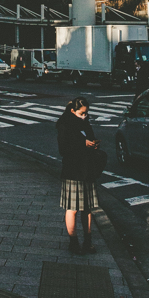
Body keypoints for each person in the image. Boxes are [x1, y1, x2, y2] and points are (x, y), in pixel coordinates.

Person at [56, 98, 100, 254]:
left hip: (87, 170)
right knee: (72, 208)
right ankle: (73, 242)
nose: (84, 116)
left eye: (86, 113)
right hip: (72, 171)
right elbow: (63, 149)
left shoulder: (85, 123)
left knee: (87, 208)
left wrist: (93, 144)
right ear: (72, 111)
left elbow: (89, 137)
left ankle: (88, 241)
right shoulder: (65, 125)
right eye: (82, 113)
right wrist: (83, 144)